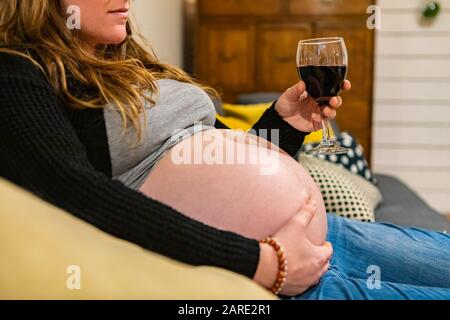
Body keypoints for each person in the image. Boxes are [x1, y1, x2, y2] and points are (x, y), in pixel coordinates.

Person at [0, 0, 448, 299]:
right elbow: (78, 194)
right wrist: (262, 261)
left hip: (330, 239)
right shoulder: (18, 72)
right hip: (280, 274)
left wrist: (284, 125)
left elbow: (220, 155)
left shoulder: (124, 64)